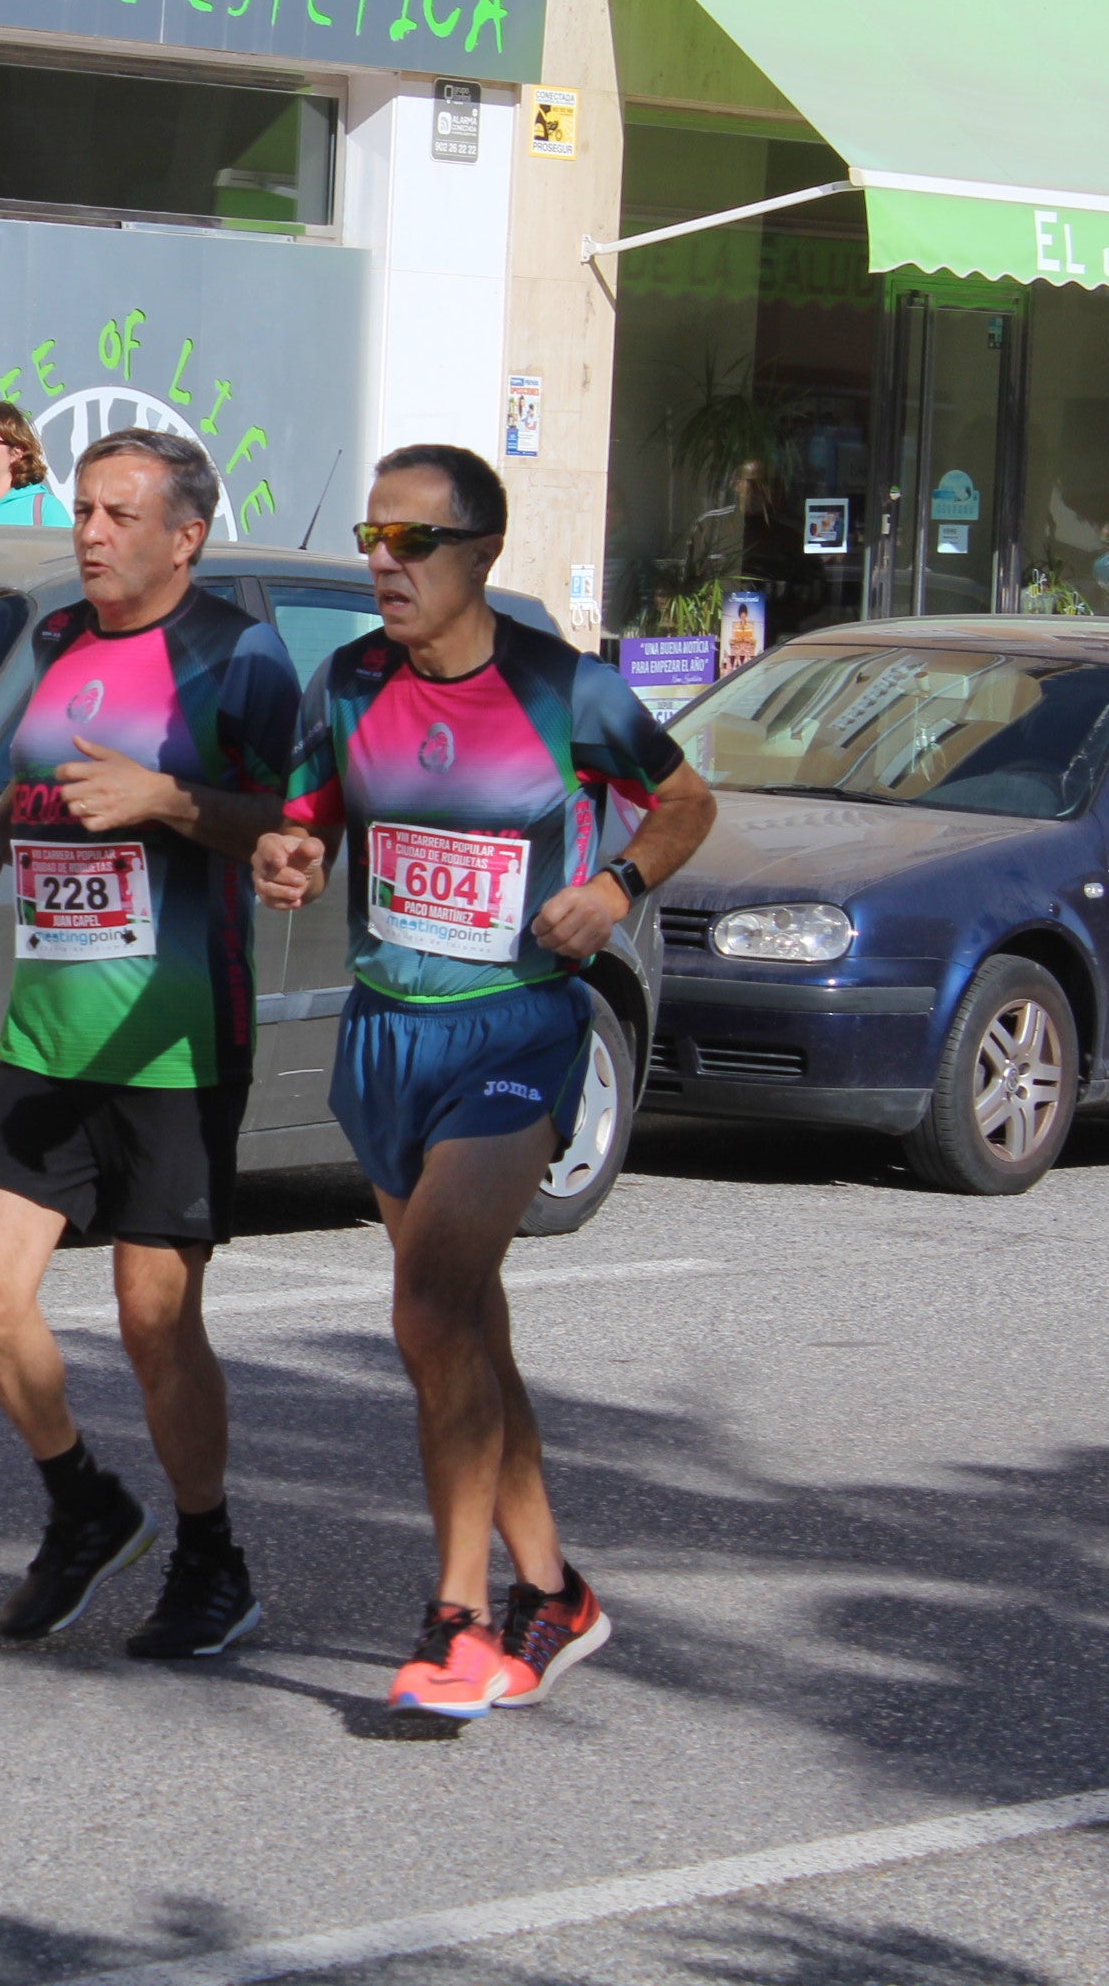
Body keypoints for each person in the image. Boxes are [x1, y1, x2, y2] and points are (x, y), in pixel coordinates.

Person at [251, 444, 716, 1718]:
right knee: (463, 1335)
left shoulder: (568, 692)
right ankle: (553, 1592)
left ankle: (456, 1619)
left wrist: (616, 886)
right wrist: (291, 856)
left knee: (434, 1301)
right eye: (373, 535)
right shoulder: (346, 682)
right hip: (385, 1035)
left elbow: (684, 803)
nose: (384, 563)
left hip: (514, 1032)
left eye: (414, 542)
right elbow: (308, 816)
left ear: (483, 556)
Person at [0, 431, 299, 1658]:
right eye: (84, 510)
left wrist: (170, 802)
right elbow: (34, 783)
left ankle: (211, 1556)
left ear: (184, 535)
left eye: (119, 515)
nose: (90, 533)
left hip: (177, 1036)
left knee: (154, 1321)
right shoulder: (53, 642)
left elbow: (293, 833)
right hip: (49, 1028)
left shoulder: (238, 655)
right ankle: (85, 1502)